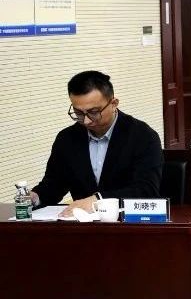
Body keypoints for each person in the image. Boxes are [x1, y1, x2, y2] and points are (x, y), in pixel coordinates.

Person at [29, 70, 163, 215]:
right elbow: (55, 184)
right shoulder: (67, 139)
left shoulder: (143, 137)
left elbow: (146, 190)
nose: (86, 121)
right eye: (78, 113)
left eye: (93, 112)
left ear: (113, 104)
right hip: (82, 224)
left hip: (128, 222)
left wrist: (98, 200)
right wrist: (36, 197)